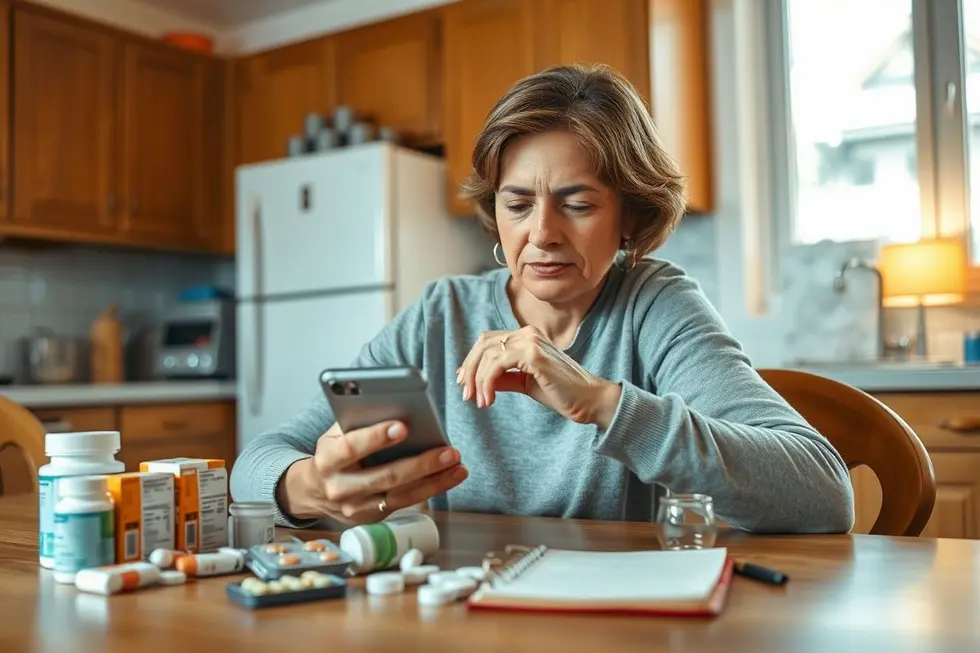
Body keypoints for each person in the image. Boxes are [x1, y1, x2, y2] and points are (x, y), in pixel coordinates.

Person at [229, 64, 855, 534]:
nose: (542, 234)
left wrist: (603, 402)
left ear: (630, 216)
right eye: (517, 204)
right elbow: (256, 459)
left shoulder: (655, 306)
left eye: (578, 205)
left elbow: (824, 492)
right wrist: (309, 486)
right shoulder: (441, 315)